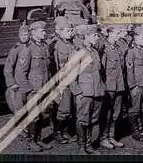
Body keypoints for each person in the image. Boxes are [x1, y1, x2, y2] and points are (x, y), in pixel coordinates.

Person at [14, 20, 53, 152]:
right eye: (42, 31)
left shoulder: (44, 47)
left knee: (42, 115)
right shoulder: (28, 48)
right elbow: (20, 72)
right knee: (34, 116)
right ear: (33, 32)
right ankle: (31, 141)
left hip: (44, 86)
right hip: (33, 88)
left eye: (44, 30)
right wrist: (29, 90)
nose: (44, 33)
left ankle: (38, 139)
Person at [70, 24, 106, 154]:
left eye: (97, 35)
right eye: (94, 35)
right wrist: (77, 92)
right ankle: (82, 147)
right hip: (84, 92)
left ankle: (90, 145)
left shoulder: (95, 51)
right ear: (86, 36)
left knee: (94, 119)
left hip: (97, 90)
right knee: (83, 119)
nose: (97, 37)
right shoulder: (78, 52)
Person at [50, 16, 77, 144]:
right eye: (67, 30)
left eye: (71, 30)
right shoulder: (56, 45)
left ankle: (64, 130)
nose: (70, 32)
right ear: (58, 31)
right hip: (62, 81)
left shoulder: (70, 43)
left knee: (70, 107)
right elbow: (53, 66)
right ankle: (57, 132)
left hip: (72, 79)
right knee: (62, 107)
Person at [99, 26, 126, 149]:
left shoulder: (118, 47)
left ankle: (111, 136)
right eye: (117, 32)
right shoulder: (104, 48)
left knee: (116, 113)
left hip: (119, 85)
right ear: (110, 33)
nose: (119, 34)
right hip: (109, 86)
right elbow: (101, 70)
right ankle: (103, 138)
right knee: (107, 114)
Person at [125, 25, 143, 141]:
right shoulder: (131, 52)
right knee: (135, 109)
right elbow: (129, 70)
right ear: (135, 39)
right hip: (137, 85)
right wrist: (133, 86)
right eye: (142, 38)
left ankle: (141, 130)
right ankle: (135, 131)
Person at [3, 23, 31, 139]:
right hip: (18, 84)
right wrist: (11, 83)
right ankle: (20, 129)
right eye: (22, 35)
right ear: (19, 36)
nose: (24, 37)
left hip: (28, 82)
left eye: (26, 34)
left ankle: (27, 127)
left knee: (27, 107)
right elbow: (8, 67)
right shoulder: (16, 49)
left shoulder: (31, 47)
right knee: (18, 107)